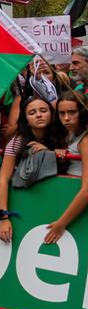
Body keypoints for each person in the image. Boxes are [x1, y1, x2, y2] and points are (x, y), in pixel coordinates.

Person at [0, 95, 64, 243]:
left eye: (43, 110)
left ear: (52, 115)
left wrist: (52, 154)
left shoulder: (63, 136)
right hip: (26, 205)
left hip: (57, 205)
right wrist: (4, 217)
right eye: (32, 112)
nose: (38, 115)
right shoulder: (17, 141)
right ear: (26, 120)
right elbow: (2, 180)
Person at [44, 91, 88, 244]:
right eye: (62, 113)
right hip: (68, 201)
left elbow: (87, 189)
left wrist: (62, 223)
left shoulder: (85, 139)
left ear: (82, 111)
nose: (66, 118)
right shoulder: (71, 133)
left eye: (72, 112)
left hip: (77, 211)